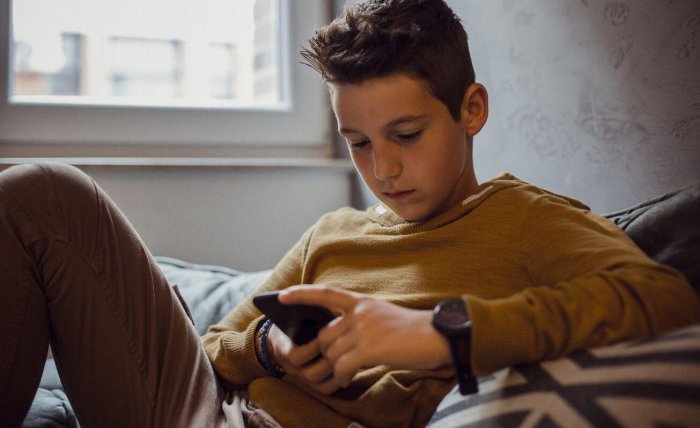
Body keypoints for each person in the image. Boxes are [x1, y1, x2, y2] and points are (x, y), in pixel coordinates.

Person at [1, 0, 699, 427]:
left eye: (406, 135)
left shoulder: (527, 219)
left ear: (472, 110)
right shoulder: (333, 233)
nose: (381, 169)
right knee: (35, 195)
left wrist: (438, 335)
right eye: (358, 144)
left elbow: (661, 296)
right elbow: (213, 351)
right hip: (213, 412)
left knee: (45, 192)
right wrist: (274, 350)